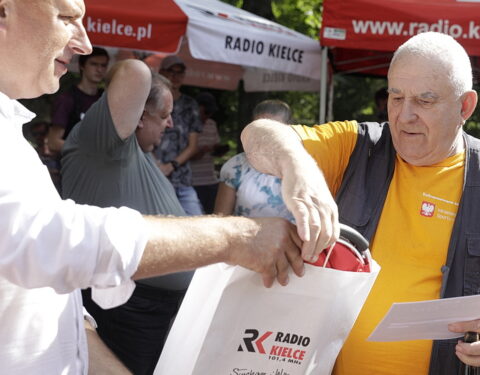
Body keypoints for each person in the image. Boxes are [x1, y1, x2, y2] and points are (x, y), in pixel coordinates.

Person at [0, 1, 330, 373]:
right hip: (136, 309)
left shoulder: (12, 129)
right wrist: (234, 237)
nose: (85, 43)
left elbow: (54, 307)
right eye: (66, 18)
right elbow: (43, 239)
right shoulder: (103, 141)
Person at [241, 32, 480, 374]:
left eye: (425, 101)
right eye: (396, 97)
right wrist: (298, 167)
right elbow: (258, 135)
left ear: (465, 106)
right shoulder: (356, 148)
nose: (404, 115)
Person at [61, 60, 188, 374]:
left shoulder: (134, 153)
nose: (170, 124)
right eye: (164, 116)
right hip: (126, 306)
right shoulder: (104, 141)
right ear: (140, 116)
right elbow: (135, 72)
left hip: (147, 307)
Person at [214, 100, 294, 219]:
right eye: (259, 128)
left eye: (273, 128)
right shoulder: (236, 166)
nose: (265, 134)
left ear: (289, 128)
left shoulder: (307, 165)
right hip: (245, 236)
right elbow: (220, 220)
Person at [155, 55, 204, 215]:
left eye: (180, 72)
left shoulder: (190, 104)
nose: (175, 76)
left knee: (195, 222)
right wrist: (157, 165)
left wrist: (171, 166)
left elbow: (193, 145)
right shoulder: (152, 100)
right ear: (161, 72)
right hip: (154, 175)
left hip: (182, 178)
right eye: (171, 71)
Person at [47, 46, 109, 153]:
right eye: (94, 64)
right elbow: (53, 142)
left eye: (103, 65)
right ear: (82, 66)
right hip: (72, 165)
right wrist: (90, 149)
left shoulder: (106, 98)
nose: (99, 69)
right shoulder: (67, 99)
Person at [191, 92, 222, 213]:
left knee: (211, 215)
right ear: (197, 108)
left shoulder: (212, 124)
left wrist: (218, 150)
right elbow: (181, 155)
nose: (208, 115)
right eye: (206, 111)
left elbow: (216, 146)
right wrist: (200, 151)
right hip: (194, 181)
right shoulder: (188, 124)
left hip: (210, 179)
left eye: (211, 112)